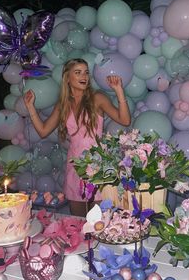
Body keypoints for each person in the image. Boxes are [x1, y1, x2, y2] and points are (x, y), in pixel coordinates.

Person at [24, 58, 131, 216]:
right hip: (75, 168)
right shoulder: (63, 105)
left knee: (101, 220)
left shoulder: (97, 98)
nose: (84, 76)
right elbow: (43, 131)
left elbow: (125, 120)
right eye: (78, 72)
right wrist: (30, 107)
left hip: (98, 166)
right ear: (67, 78)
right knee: (79, 221)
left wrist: (119, 90)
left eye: (86, 72)